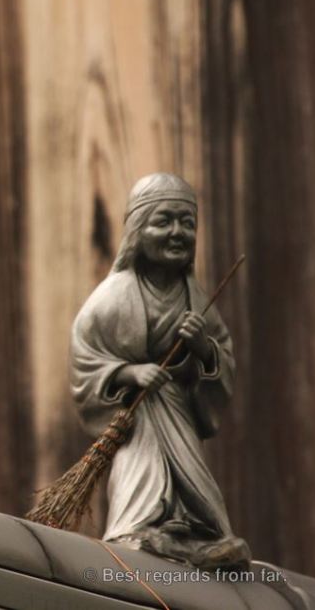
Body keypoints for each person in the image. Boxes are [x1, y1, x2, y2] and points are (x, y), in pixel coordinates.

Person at [70, 173, 250, 570]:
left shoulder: (196, 296)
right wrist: (129, 374)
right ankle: (143, 532)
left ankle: (196, 537)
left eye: (187, 223)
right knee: (143, 482)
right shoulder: (112, 298)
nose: (177, 233)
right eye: (163, 221)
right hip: (141, 423)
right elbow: (86, 360)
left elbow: (223, 358)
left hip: (179, 416)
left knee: (197, 490)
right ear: (137, 229)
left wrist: (203, 347)